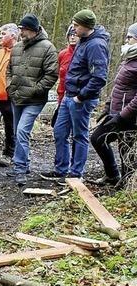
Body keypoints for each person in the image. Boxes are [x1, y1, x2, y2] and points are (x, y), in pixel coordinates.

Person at [46, 9, 110, 182]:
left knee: (79, 135)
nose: (73, 29)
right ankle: (61, 170)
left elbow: (99, 77)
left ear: (85, 25)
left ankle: (76, 174)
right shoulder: (83, 41)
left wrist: (81, 96)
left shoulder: (96, 45)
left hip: (81, 99)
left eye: (76, 25)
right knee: (59, 132)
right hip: (69, 96)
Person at [6, 14, 58, 186]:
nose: (22, 33)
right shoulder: (17, 47)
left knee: (22, 131)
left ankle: (20, 168)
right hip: (17, 97)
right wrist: (9, 86)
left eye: (25, 30)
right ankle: (23, 163)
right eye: (21, 29)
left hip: (35, 100)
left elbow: (52, 74)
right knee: (16, 132)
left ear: (34, 30)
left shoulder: (48, 47)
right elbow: (9, 70)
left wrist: (36, 89)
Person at [90, 23, 137, 187]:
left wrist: (122, 115)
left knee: (126, 151)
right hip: (116, 112)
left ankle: (127, 185)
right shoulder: (128, 59)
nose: (126, 40)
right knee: (97, 139)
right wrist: (107, 107)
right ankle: (112, 175)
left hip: (129, 117)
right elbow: (118, 86)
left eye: (130, 37)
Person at [0, 23, 19, 165]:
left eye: (3, 34)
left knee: (10, 125)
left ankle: (9, 153)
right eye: (0, 34)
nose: (0, 36)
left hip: (9, 96)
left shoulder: (19, 52)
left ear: (13, 36)